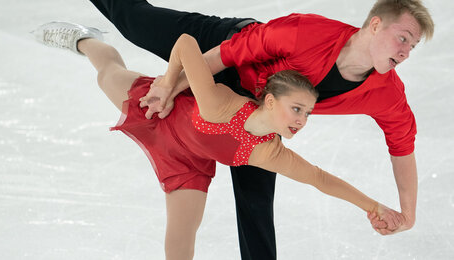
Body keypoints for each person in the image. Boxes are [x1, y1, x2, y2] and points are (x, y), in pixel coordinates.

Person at [87, 1, 435, 259]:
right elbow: (227, 53)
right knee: (132, 22)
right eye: (402, 39)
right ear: (375, 25)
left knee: (255, 202)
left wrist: (407, 214)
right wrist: (169, 85)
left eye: (412, 46)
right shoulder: (306, 32)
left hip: (260, 112)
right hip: (224, 51)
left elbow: (402, 145)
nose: (405, 53)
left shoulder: (387, 94)